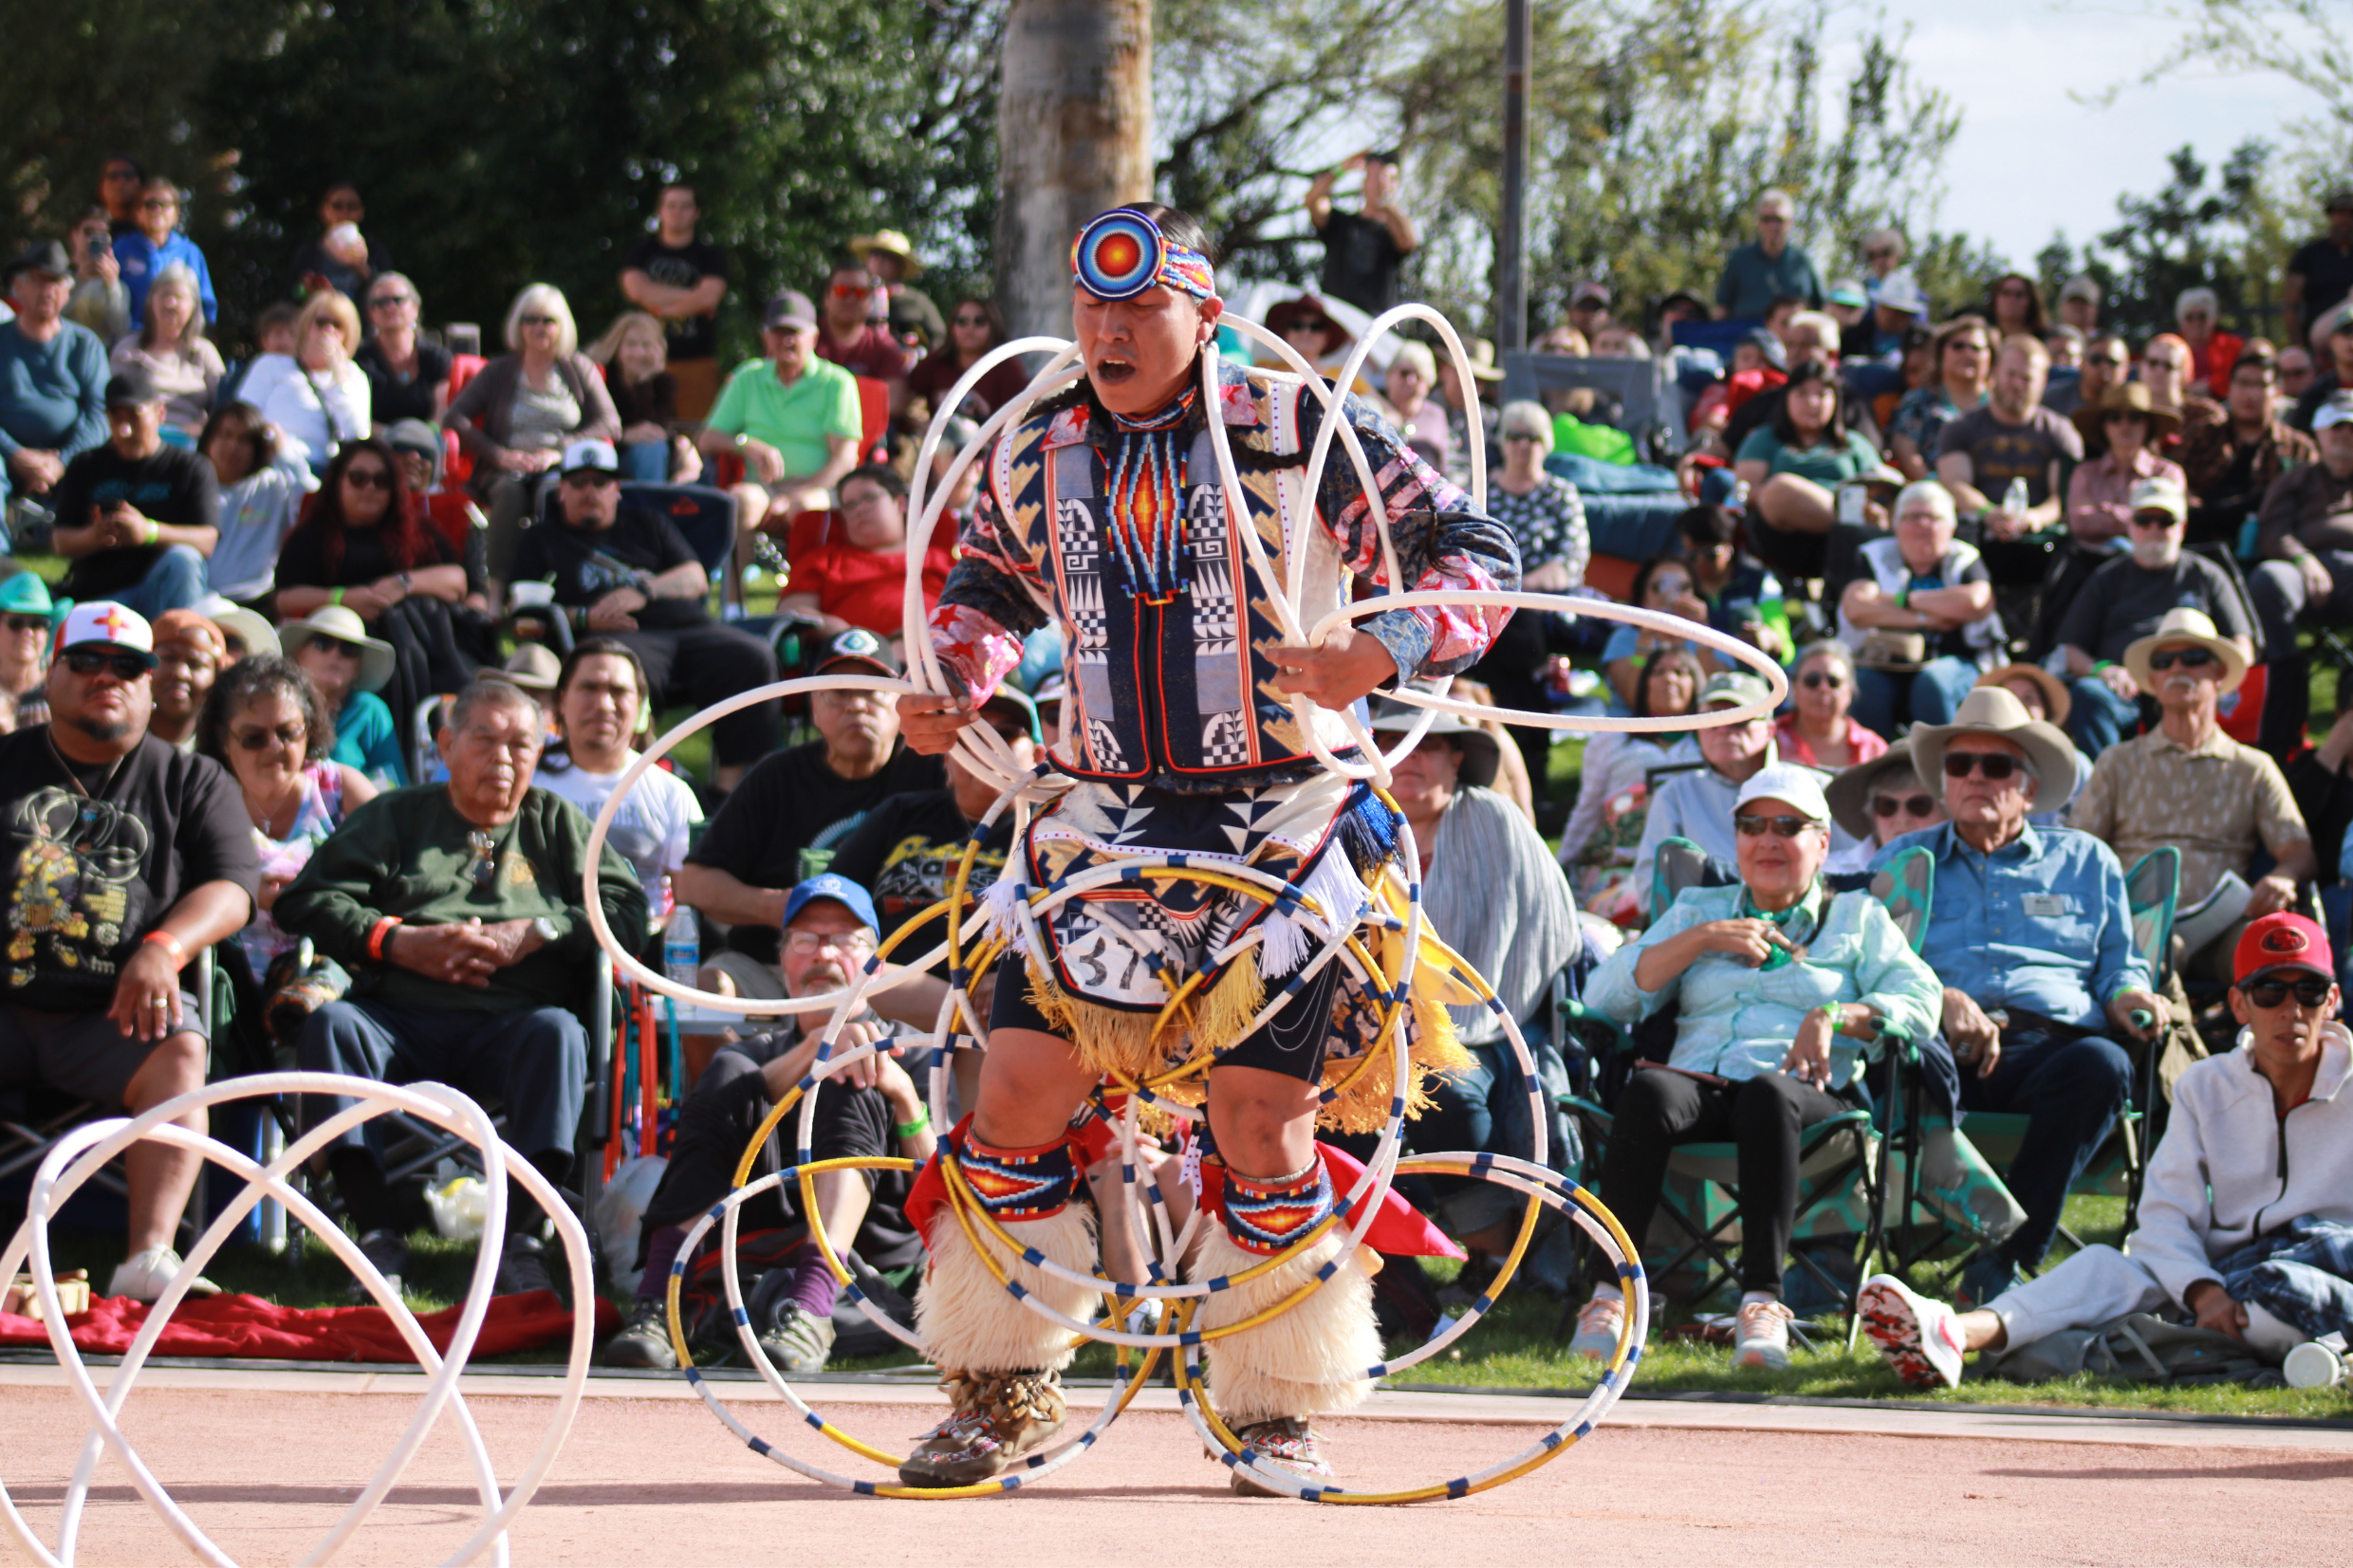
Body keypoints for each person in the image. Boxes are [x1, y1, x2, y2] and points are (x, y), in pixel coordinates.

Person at [891, 201, 1513, 1491]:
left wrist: (1378, 653)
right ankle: (992, 1392)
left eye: (1140, 312)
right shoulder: (1039, 444)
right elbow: (984, 591)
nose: (1109, 334)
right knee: (1009, 1093)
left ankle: (1277, 1411)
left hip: (1287, 819)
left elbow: (1478, 552)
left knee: (1259, 1121)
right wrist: (958, 674)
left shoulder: (1298, 428)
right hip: (1099, 820)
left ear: (1204, 315)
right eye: (1092, 313)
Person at [1862, 912, 2353, 1388]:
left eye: (2308, 991)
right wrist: (2204, 1292)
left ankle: (2259, 1342)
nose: (2292, 1010)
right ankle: (1952, 1333)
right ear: (2240, 1005)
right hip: (2227, 1281)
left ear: (2331, 1001)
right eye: (2270, 991)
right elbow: (2162, 1218)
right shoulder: (2205, 1085)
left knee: (2278, 1287)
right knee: (2107, 1266)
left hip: (2319, 1273)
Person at [280, 676, 644, 1297]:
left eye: (521, 744)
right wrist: (394, 940)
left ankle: (523, 1242)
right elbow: (307, 900)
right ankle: (376, 1238)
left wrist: (542, 929)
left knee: (560, 1033)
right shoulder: (397, 817)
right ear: (446, 744)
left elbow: (626, 910)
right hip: (400, 1019)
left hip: (516, 1023)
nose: (504, 758)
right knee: (334, 1026)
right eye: (485, 739)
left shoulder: (555, 824)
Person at [1572, 763, 1941, 1367]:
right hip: (1707, 1090)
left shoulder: (1857, 919)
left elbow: (1921, 1002)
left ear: (1822, 843)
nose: (1768, 840)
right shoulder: (1698, 909)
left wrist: (1835, 1014)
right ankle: (1613, 1292)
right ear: (1737, 837)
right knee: (1649, 1090)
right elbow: (1604, 998)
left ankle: (1762, 1301)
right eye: (1752, 825)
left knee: (1770, 1094)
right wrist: (1701, 939)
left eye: (1788, 826)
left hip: (1808, 1100)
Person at [0, 601, 258, 1301]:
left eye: (128, 666)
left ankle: (148, 1256)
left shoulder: (193, 780)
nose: (104, 676)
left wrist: (164, 946)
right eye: (84, 661)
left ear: (150, 686)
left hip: (114, 1017)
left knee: (182, 1041)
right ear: (49, 676)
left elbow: (235, 888)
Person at [1888, 686, 2164, 1304]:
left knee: (2106, 1062)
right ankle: (1854, 1252)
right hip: (1938, 1047)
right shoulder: (1904, 860)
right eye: (1960, 765)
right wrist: (1941, 996)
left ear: (2030, 788)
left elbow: (2121, 965)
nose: (1976, 777)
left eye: (1997, 765)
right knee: (1891, 1062)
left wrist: (2130, 995)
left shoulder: (2087, 860)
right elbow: (1873, 965)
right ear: (1943, 783)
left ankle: (2008, 1255)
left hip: (2050, 1050)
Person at [601, 875, 936, 1372]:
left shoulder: (914, 1050)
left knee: (849, 1077)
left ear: (876, 964)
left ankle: (811, 1308)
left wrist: (903, 1099)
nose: (823, 955)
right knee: (732, 1073)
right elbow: (734, 1095)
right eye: (806, 940)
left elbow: (948, 1189)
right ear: (783, 963)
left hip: (874, 1257)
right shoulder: (751, 1055)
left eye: (844, 941)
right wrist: (812, 1052)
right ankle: (660, 1305)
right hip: (759, 1244)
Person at [1367, 700, 1579, 1267]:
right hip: (1367, 1026)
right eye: (1390, 741)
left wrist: (1445, 1020)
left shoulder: (1490, 819)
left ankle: (1491, 1253)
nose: (1407, 756)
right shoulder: (1357, 830)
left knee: (1443, 1087)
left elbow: (1539, 932)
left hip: (1492, 1022)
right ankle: (1384, 1267)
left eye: (1427, 744)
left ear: (1457, 759)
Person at [675, 629, 944, 984]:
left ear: (900, 705)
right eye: (839, 692)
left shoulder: (937, 772)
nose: (856, 705)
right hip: (774, 962)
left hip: (892, 970)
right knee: (712, 986)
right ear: (814, 707)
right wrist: (782, 908)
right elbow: (694, 883)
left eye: (871, 692)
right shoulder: (776, 776)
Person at [510, 439, 777, 789]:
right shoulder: (542, 538)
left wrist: (643, 591)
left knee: (754, 657)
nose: (590, 491)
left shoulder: (648, 523)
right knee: (618, 673)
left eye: (600, 482)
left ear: (617, 490)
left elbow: (694, 578)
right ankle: (631, 783)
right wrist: (583, 618)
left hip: (690, 628)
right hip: (620, 638)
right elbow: (524, 609)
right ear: (561, 490)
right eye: (578, 482)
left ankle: (727, 791)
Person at [2068, 608, 2312, 985]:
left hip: (2227, 927)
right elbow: (2081, 851)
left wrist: (2285, 874)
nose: (2178, 668)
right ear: (2152, 678)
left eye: (2195, 658)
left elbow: (2299, 851)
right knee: (2154, 953)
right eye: (2164, 661)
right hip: (2137, 926)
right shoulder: (2117, 761)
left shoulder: (2253, 766)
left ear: (2219, 674)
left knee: (2276, 959)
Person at [195, 654, 378, 990]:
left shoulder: (341, 789)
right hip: (227, 979)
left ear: (309, 730)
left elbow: (394, 872)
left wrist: (317, 895)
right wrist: (244, 894)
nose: (274, 747)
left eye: (288, 732)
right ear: (223, 738)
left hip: (335, 976)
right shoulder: (204, 795)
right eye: (253, 737)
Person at [2055, 477, 2257, 758]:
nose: (2154, 529)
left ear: (2183, 528)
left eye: (2166, 521)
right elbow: (2071, 649)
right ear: (2130, 526)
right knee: (2089, 693)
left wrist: (2211, 677)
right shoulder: (2106, 578)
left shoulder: (2207, 575)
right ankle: (2105, 786)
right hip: (2126, 690)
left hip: (2189, 682)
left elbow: (2243, 647)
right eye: (2144, 520)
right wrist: (2103, 669)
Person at [443, 284, 620, 601]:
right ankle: (496, 594)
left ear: (562, 325)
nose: (539, 327)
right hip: (506, 468)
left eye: (548, 320)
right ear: (518, 325)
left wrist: (559, 451)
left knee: (553, 494)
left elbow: (611, 423)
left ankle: (556, 589)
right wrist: (499, 455)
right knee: (509, 493)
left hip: (560, 468)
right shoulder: (499, 370)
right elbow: (455, 417)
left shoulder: (578, 368)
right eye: (530, 319)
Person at [528, 637, 701, 931]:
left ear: (640, 705)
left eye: (619, 691)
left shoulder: (673, 793)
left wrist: (651, 929)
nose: (603, 705)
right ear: (561, 699)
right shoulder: (527, 782)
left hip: (639, 947)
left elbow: (692, 904)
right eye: (589, 688)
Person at [699, 290, 862, 571]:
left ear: (813, 337)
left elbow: (844, 459)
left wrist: (796, 493)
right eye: (779, 332)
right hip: (761, 488)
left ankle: (806, 599)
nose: (786, 340)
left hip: (817, 488)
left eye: (794, 332)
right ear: (766, 337)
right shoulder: (747, 377)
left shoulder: (837, 382)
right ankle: (733, 606)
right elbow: (707, 439)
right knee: (739, 501)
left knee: (805, 509)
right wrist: (746, 444)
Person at [1836, 480, 2001, 737]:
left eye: (1932, 517)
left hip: (1956, 660)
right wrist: (1928, 618)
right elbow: (1856, 608)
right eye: (1912, 517)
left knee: (1932, 683)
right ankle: (1876, 769)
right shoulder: (1875, 555)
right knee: (1864, 685)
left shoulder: (1964, 558)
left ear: (1951, 527)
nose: (1922, 525)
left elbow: (1976, 602)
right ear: (1896, 526)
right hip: (1886, 661)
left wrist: (1902, 600)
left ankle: (1940, 768)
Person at [50, 367, 218, 618]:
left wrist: (148, 532)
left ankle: (178, 645)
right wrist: (95, 536)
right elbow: (60, 541)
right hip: (98, 599)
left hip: (159, 593)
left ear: (160, 413)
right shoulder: (85, 465)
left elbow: (206, 540)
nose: (124, 430)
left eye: (134, 417)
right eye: (116, 418)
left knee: (184, 558)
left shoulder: (190, 467)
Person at [2247, 393, 2353, 749]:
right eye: (2336, 427)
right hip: (2306, 571)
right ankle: (2284, 692)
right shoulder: (2296, 480)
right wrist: (2302, 559)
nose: (2344, 435)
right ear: (2318, 434)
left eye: (2350, 428)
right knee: (2268, 580)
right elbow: (2273, 531)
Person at [1559, 648, 1701, 911]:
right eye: (1659, 672)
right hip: (1622, 868)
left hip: (1694, 869)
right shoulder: (1611, 740)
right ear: (1644, 682)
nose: (1669, 679)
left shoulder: (1710, 746)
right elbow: (1587, 811)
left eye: (1681, 672)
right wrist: (1559, 866)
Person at [1632, 671, 1778, 907]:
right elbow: (1652, 891)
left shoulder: (1809, 789)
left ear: (1770, 730)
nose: (1723, 729)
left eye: (1739, 718)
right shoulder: (1674, 795)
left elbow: (1845, 871)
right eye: (1711, 719)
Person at [776, 463, 954, 646]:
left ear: (900, 503)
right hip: (858, 656)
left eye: (869, 498)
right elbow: (792, 611)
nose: (859, 509)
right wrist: (837, 631)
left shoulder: (941, 560)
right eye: (850, 505)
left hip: (938, 649)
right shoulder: (825, 561)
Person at [1733, 360, 1885, 571]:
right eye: (1802, 394)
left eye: (1822, 395)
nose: (1812, 402)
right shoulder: (1764, 438)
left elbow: (1880, 482)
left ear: (1835, 402)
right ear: (1787, 398)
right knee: (1778, 489)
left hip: (1848, 519)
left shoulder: (1854, 443)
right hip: (1787, 530)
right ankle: (1851, 524)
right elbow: (1745, 492)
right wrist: (1808, 499)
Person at [1936, 334, 2083, 541]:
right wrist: (1988, 513)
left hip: (2041, 539)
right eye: (2011, 374)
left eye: (2027, 378)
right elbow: (1955, 484)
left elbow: (2062, 496)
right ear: (1994, 373)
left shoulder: (2060, 431)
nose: (2017, 385)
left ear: (2043, 382)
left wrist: (2034, 518)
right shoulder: (1960, 427)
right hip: (1977, 534)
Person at [0, 241, 110, 511]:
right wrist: (15, 453)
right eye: (39, 280)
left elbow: (101, 413)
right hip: (6, 455)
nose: (48, 290)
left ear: (68, 290)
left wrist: (63, 459)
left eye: (57, 282)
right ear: (19, 286)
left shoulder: (85, 344)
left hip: (72, 456)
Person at [2179, 350, 2316, 546]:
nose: (2250, 394)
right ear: (2229, 389)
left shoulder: (2298, 448)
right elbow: (2173, 478)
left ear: (2278, 393)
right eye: (2243, 383)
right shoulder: (2203, 436)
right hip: (2202, 539)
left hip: (2269, 543)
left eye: (2261, 385)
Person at [618, 183, 730, 421]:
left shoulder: (710, 255)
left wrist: (658, 306)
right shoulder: (641, 252)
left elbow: (710, 296)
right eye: (671, 205)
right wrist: (692, 297)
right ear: (660, 211)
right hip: (643, 360)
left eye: (685, 206)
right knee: (644, 430)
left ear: (696, 213)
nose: (677, 212)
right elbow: (636, 291)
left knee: (696, 436)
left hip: (696, 361)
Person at [197, 402, 316, 604]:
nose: (233, 446)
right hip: (197, 600)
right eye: (225, 435)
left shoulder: (274, 487)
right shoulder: (189, 482)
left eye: (244, 440)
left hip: (256, 602)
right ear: (209, 438)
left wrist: (283, 450)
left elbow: (314, 497)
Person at [277, 605, 407, 785]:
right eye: (323, 643)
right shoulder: (280, 705)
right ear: (301, 655)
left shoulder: (368, 710)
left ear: (358, 667)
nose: (335, 654)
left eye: (349, 649)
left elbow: (392, 789)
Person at [246, 291, 371, 475]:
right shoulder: (272, 364)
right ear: (307, 326)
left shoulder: (353, 375)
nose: (328, 330)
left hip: (323, 469)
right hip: (270, 462)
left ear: (348, 333)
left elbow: (357, 436)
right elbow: (245, 414)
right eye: (321, 322)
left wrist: (340, 378)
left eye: (338, 325)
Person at [2065, 382, 2185, 548]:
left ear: (2148, 425)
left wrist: (2105, 512)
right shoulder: (2085, 472)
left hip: (2150, 561)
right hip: (2090, 564)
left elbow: (2168, 523)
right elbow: (2079, 523)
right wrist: (2136, 517)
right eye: (2115, 418)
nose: (2125, 425)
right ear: (2104, 426)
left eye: (2135, 417)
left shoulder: (2167, 473)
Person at [109, 265, 221, 440]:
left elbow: (223, 403)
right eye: (164, 295)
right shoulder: (129, 348)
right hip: (139, 438)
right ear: (151, 302)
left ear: (193, 306)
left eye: (179, 297)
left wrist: (205, 427)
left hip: (192, 441)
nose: (170, 303)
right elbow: (113, 402)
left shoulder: (204, 352)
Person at [586, 310, 695, 486]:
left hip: (646, 457)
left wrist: (644, 381)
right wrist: (624, 435)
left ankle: (649, 509)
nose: (638, 352)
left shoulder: (664, 382)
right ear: (617, 346)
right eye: (631, 344)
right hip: (605, 454)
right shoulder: (599, 376)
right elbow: (590, 424)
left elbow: (653, 428)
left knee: (651, 447)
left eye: (646, 345)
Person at [1306, 150, 1417, 315]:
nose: (1382, 181)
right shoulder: (1341, 223)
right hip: (1333, 320)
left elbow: (1408, 241)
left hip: (1373, 327)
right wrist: (1342, 169)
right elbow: (1312, 201)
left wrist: (1384, 199)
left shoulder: (1393, 234)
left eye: (1391, 178)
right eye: (1374, 176)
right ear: (1363, 182)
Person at [1886, 316, 1991, 482]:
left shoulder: (2000, 405)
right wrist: (1935, 485)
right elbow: (1905, 450)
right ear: (1941, 353)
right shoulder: (1918, 401)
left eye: (1976, 348)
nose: (1967, 353)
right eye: (1958, 346)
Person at [1825, 739, 1948, 874]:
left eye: (1918, 806)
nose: (1901, 819)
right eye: (1887, 806)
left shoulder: (1971, 873)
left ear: (1948, 812)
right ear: (1872, 813)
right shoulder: (1832, 872)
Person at [111, 178, 214, 334]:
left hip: (180, 340)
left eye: (164, 204)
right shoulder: (122, 248)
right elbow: (111, 295)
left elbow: (205, 304)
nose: (156, 209)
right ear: (138, 213)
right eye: (149, 204)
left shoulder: (190, 252)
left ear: (176, 213)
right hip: (131, 337)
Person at [352, 273, 452, 429]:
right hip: (376, 445)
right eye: (381, 302)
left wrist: (420, 441)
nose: (390, 306)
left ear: (415, 308)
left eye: (398, 300)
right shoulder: (358, 360)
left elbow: (441, 415)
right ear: (371, 314)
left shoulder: (437, 358)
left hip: (428, 445)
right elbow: (357, 418)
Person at [907, 297, 1029, 421]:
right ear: (952, 327)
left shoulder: (1008, 368)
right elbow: (907, 406)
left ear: (994, 326)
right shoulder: (934, 363)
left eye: (979, 321)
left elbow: (1020, 424)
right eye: (962, 321)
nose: (970, 329)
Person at [1775, 640, 1886, 771]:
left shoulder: (1873, 749)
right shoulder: (1769, 739)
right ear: (1794, 687)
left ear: (1849, 691)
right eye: (1812, 681)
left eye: (1834, 682)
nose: (1823, 688)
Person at [813, 261, 913, 408]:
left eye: (860, 293)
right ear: (826, 298)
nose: (851, 298)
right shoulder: (803, 337)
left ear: (870, 301)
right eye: (842, 291)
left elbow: (895, 400)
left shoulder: (884, 346)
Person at [1714, 190, 1824, 319]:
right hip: (1747, 333)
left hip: (1792, 335)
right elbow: (1722, 307)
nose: (1773, 226)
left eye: (1779, 220)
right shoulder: (1740, 258)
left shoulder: (1801, 261)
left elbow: (1820, 306)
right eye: (1767, 219)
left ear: (1790, 223)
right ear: (1758, 222)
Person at [287, 184, 392, 306]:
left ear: (361, 212)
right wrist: (305, 289)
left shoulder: (375, 251)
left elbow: (390, 295)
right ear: (324, 211)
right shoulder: (309, 252)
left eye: (351, 207)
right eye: (337, 206)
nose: (344, 212)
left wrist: (362, 270)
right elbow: (291, 296)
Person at [849, 229, 948, 352]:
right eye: (875, 253)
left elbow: (940, 338)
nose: (879, 260)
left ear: (900, 265)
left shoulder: (916, 302)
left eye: (886, 256)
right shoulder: (854, 296)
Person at [146, 610, 225, 752]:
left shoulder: (225, 750)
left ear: (217, 677)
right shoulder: (118, 742)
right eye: (169, 658)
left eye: (196, 663)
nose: (180, 673)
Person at [2284, 191, 2353, 352]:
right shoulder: (2309, 255)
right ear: (2330, 215)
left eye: (2352, 213)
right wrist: (2300, 349)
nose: (2347, 219)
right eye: (2341, 212)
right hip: (2319, 346)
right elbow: (2290, 307)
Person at [1374, 340, 1450, 471]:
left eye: (1418, 376)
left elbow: (1445, 467)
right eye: (1405, 373)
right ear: (1389, 375)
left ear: (1428, 385)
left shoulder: (1435, 417)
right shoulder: (1372, 407)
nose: (1411, 381)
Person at [65, 208, 129, 345]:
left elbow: (121, 330)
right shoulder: (60, 277)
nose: (94, 239)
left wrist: (112, 285)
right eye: (89, 232)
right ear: (74, 235)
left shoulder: (119, 287)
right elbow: (55, 316)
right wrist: (80, 280)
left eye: (102, 234)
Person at [0, 574, 54, 729]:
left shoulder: (60, 688)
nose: (27, 632)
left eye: (38, 624)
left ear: (47, 633)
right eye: (15, 623)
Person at [2176, 287, 2244, 398]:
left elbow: (2239, 377)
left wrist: (2210, 386)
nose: (2196, 322)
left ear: (2213, 319)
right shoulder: (2168, 347)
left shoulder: (2233, 346)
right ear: (2180, 321)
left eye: (2202, 317)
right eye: (2189, 317)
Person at [2051, 333, 2128, 431]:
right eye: (2096, 360)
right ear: (2081, 364)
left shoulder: (2133, 409)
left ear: (2126, 370)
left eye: (2112, 362)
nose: (2104, 368)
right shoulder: (2052, 400)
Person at [1981, 272, 2047, 341]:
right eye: (2006, 293)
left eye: (2019, 294)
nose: (2011, 300)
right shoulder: (1981, 338)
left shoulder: (2046, 339)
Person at [97, 156, 145, 237]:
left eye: (128, 175)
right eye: (113, 176)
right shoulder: (90, 229)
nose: (120, 182)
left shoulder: (154, 231)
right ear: (101, 186)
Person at [2055, 274, 2102, 338]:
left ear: (2095, 309)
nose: (2078, 306)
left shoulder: (2104, 343)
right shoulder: (2048, 342)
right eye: (2073, 300)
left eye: (2083, 302)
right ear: (2062, 306)